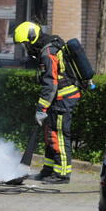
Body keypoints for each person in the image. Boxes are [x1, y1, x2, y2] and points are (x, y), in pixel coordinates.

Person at [13, 21, 81, 184]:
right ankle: (49, 170)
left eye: (25, 44)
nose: (26, 48)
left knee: (60, 136)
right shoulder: (48, 48)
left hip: (62, 99)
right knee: (50, 135)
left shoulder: (48, 52)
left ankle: (62, 174)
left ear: (32, 37)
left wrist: (41, 108)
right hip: (57, 98)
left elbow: (50, 83)